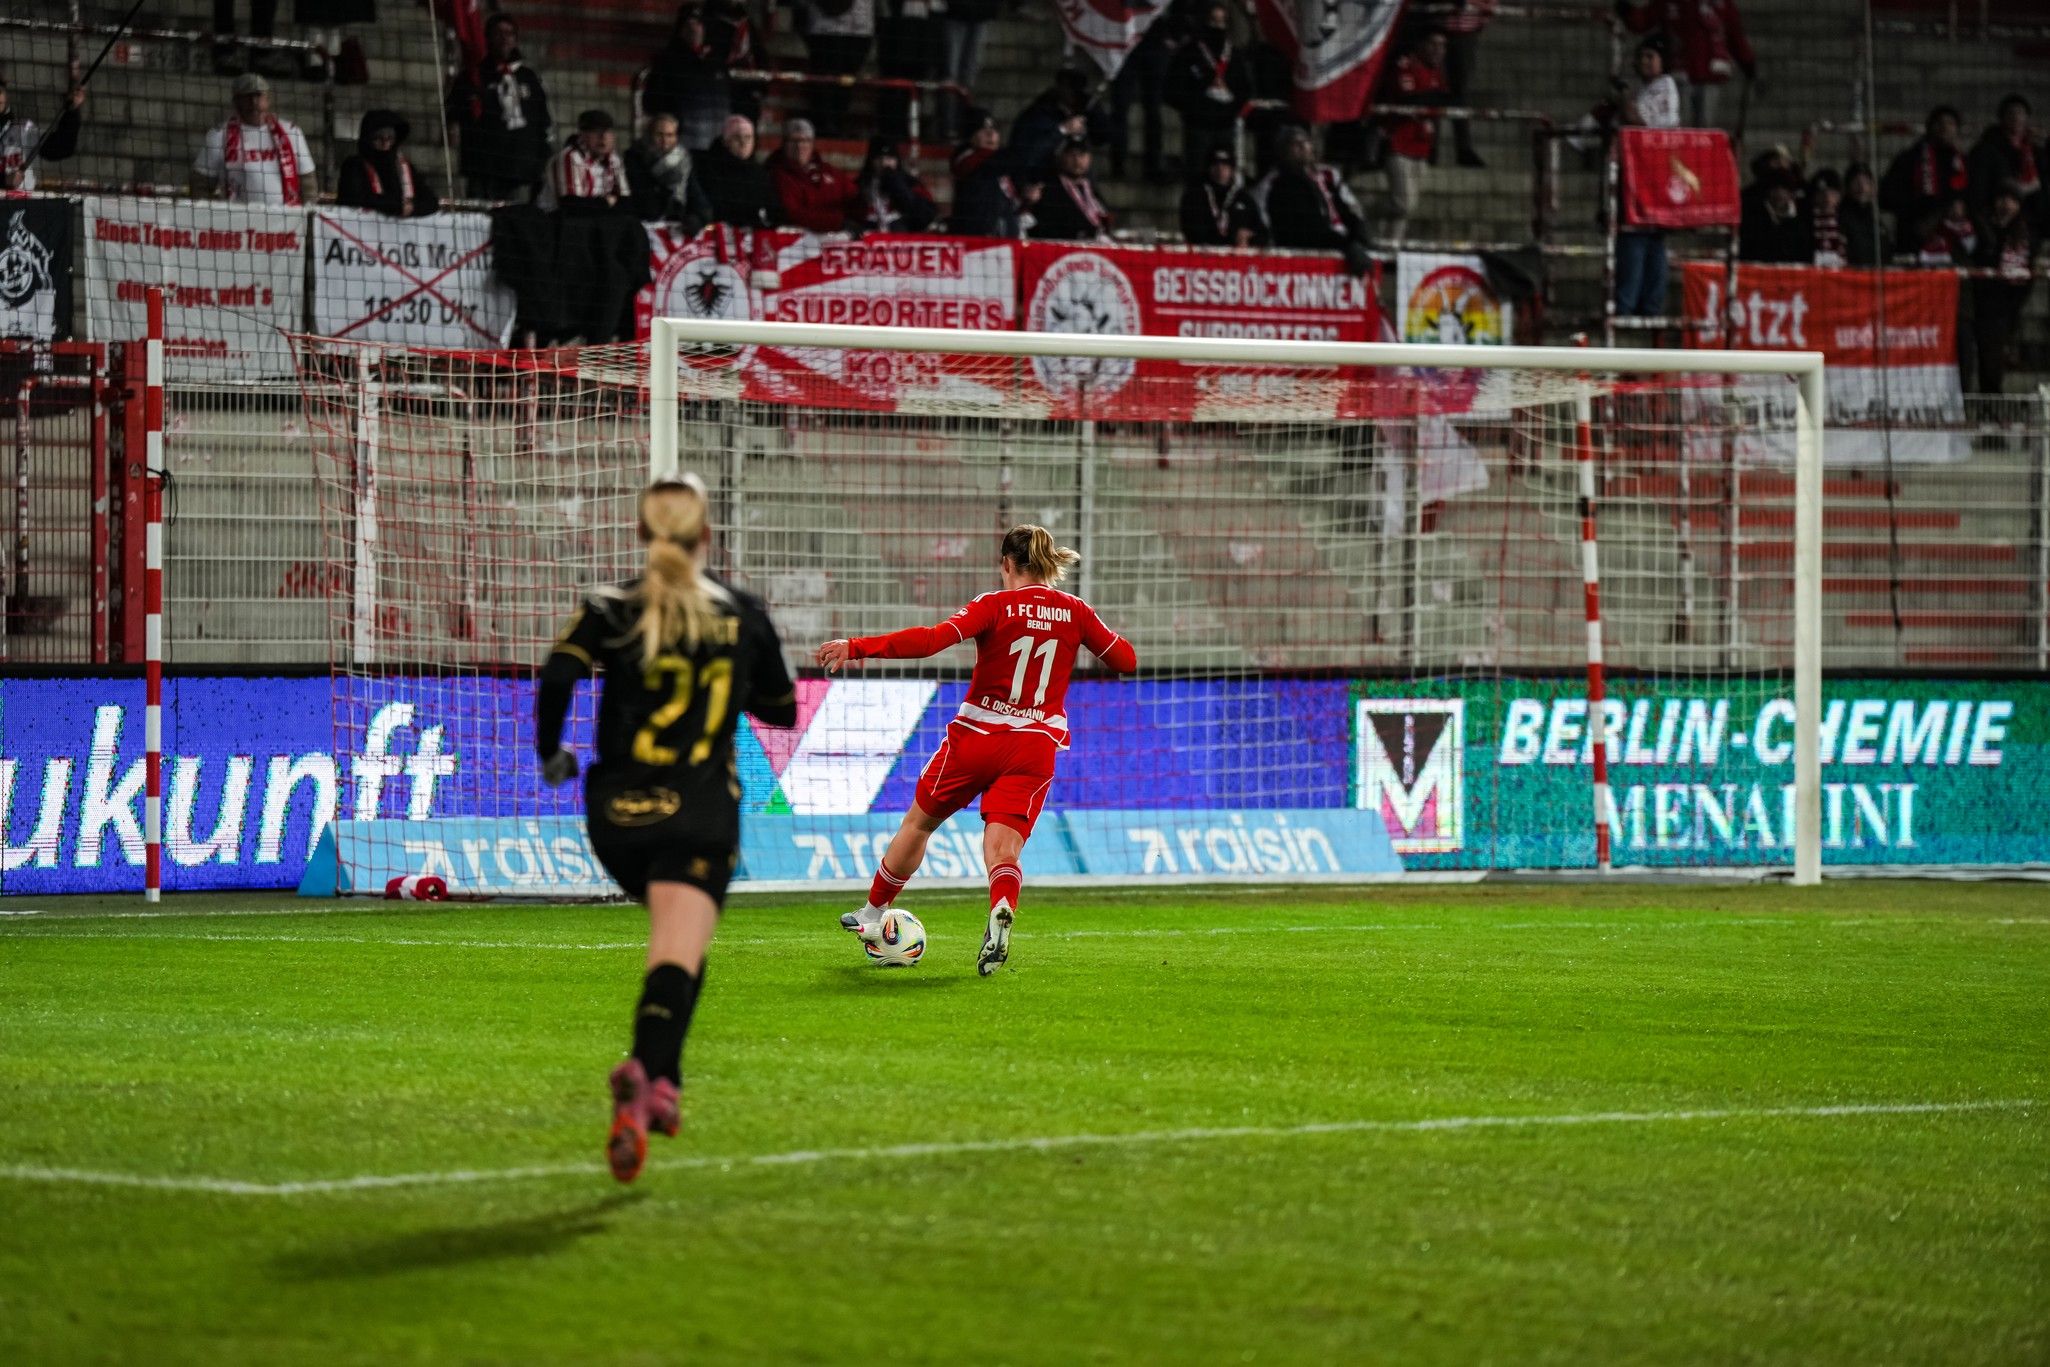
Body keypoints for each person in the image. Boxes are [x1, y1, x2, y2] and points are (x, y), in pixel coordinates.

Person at [536, 474, 797, 1183]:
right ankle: (644, 1073)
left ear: (641, 534)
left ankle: (665, 1082)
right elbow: (782, 709)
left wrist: (550, 751)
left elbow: (556, 677)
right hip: (698, 812)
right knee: (677, 954)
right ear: (706, 535)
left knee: (681, 939)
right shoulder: (741, 612)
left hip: (615, 817)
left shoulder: (609, 605)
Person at [814, 525, 1137, 976]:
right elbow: (1126, 661)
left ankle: (872, 912)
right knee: (1003, 853)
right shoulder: (1076, 611)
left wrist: (857, 647)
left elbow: (930, 640)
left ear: (1006, 564)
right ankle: (1001, 906)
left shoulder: (994, 605)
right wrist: (1084, 632)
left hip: (975, 740)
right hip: (1033, 747)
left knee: (920, 823)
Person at [447, 15, 553, 201]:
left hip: (521, 169)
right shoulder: (473, 76)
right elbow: (454, 113)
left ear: (516, 39)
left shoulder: (529, 77)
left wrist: (540, 161)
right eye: (498, 33)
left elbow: (543, 120)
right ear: (487, 38)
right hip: (484, 168)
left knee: (516, 222)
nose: (505, 38)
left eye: (509, 33)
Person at [1611, 38, 1679, 318]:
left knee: (1636, 237)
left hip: (1650, 177)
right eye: (1641, 56)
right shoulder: (1647, 90)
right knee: (1650, 240)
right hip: (1646, 175)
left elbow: (1635, 119)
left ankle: (1630, 308)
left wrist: (1623, 95)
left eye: (1651, 56)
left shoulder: (1665, 86)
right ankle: (1647, 307)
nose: (1644, 62)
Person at [1615, 0, 1756, 129]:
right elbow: (1645, 19)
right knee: (1680, 124)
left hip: (1710, 74)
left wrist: (1747, 61)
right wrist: (1628, 11)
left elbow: (1734, 33)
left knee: (1705, 127)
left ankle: (1701, 155)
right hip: (1681, 73)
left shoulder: (1722, 4)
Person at [1258, 126, 1372, 274]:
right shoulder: (1281, 184)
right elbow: (1310, 230)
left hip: (1343, 247)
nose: (1302, 147)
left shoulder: (1327, 175)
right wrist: (1347, 245)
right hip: (1313, 255)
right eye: (1295, 144)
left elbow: (1349, 210)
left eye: (1305, 142)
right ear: (1284, 151)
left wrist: (1359, 238)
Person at [193, 73, 315, 205]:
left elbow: (308, 183)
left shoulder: (291, 132)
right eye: (247, 97)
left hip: (286, 219)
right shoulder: (218, 135)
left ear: (268, 99)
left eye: (258, 96)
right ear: (236, 102)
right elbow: (200, 185)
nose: (254, 103)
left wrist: (306, 215)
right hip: (236, 220)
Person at [1377, 28, 1451, 247]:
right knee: (1404, 203)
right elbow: (1409, 99)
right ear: (1421, 45)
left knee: (1409, 204)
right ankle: (1388, 247)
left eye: (1443, 46)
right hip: (1399, 144)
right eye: (1434, 44)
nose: (1439, 51)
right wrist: (1433, 99)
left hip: (1422, 147)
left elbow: (1443, 102)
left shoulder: (1437, 72)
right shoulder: (1406, 65)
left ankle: (1391, 244)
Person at [1164, 2, 1253, 173]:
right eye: (1213, 21)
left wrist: (1231, 109)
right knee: (1197, 177)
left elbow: (1245, 89)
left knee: (1225, 177)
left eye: (1221, 22)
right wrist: (1196, 108)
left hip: (1226, 127)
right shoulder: (1189, 52)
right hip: (1198, 128)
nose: (1217, 27)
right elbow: (1172, 90)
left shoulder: (1234, 54)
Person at [1970, 181, 2037, 395]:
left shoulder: (2025, 234)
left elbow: (2027, 274)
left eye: (2011, 200)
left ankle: (1993, 405)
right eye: (2002, 199)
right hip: (1983, 304)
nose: (2005, 204)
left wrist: (2013, 305)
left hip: (2007, 308)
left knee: (1994, 361)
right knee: (1987, 361)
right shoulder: (1983, 228)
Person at [640, 6, 735, 156]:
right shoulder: (667, 61)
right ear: (680, 29)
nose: (694, 29)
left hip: (716, 149)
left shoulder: (717, 62)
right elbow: (653, 102)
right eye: (688, 24)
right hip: (682, 148)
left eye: (698, 24)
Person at [1882, 106, 1969, 250]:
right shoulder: (1910, 159)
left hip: (1954, 241)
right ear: (1930, 127)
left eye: (1950, 123)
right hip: (1914, 238)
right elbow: (1886, 197)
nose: (1945, 128)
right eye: (1939, 123)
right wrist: (1918, 214)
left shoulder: (1964, 163)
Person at [949, 108, 1037, 237]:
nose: (991, 134)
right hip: (976, 242)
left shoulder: (1002, 168)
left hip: (1005, 243)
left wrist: (1026, 200)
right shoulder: (967, 159)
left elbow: (1010, 208)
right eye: (983, 130)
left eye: (994, 130)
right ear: (971, 137)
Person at [336, 110, 441, 218]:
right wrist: (396, 207)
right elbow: (354, 198)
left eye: (390, 138)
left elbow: (431, 202)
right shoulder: (354, 165)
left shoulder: (405, 167)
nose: (385, 143)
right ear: (368, 139)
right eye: (378, 137)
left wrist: (411, 208)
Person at [766, 119, 859, 234]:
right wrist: (837, 222)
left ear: (812, 143)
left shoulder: (828, 171)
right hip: (797, 241)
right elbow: (793, 214)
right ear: (784, 144)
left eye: (806, 141)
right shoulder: (777, 175)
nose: (800, 146)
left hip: (834, 238)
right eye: (794, 141)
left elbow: (854, 195)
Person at [1966, 95, 2044, 231]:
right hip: (1999, 207)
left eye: (2020, 113)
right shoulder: (1987, 147)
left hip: (2031, 209)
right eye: (2011, 113)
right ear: (2002, 118)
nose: (2016, 117)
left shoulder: (2033, 149)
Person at [625, 113, 715, 230]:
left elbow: (696, 194)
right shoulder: (636, 158)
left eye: (670, 135)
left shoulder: (683, 160)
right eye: (659, 135)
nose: (665, 140)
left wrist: (698, 218)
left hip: (676, 225)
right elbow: (641, 197)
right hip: (646, 225)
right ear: (650, 135)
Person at [796, 0, 874, 128]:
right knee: (823, 80)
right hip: (823, 29)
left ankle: (838, 123)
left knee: (846, 81)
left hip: (859, 30)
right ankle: (823, 125)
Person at [1438, 0, 1497, 166]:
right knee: (1430, 87)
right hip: (1438, 26)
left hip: (1465, 32)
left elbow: (1490, 4)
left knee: (1460, 92)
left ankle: (1463, 148)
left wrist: (1477, 15)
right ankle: (1429, 149)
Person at [539, 109, 631, 214]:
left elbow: (626, 201)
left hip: (594, 219)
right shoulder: (569, 157)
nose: (603, 137)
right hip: (557, 220)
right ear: (582, 134)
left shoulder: (614, 159)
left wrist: (604, 204)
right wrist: (607, 202)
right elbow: (571, 205)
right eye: (596, 131)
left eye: (608, 131)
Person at [0, 77, 83, 193]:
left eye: (0, 91)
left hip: (21, 205)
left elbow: (63, 147)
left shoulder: (22, 130)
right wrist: (4, 180)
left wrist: (72, 111)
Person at [697, 115, 781, 228]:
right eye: (737, 137)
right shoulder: (709, 169)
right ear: (726, 141)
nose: (743, 142)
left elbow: (773, 211)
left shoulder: (759, 173)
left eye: (748, 137)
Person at [1028, 136, 1114, 241]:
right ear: (1061, 157)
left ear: (1089, 158)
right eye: (1072, 154)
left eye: (1082, 155)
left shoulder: (1091, 189)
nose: (1077, 160)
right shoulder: (1049, 189)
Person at [1179, 143, 1266, 247]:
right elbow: (1192, 231)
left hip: (1237, 258)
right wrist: (1229, 238)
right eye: (1215, 164)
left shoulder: (1243, 199)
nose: (1220, 168)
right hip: (1204, 257)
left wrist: (1249, 237)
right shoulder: (1195, 196)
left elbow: (1263, 233)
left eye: (1225, 164)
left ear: (1232, 168)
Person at [1012, 69, 1094, 179]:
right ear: (1061, 88)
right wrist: (1062, 130)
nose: (1076, 96)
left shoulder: (1079, 113)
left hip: (1071, 182)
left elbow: (1102, 136)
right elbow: (1027, 155)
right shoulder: (1037, 115)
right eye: (1072, 89)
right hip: (1040, 181)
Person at [937, 0, 1001, 138]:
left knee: (970, 75)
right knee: (951, 74)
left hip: (981, 13)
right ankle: (948, 126)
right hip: (955, 12)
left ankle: (963, 125)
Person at [855, 136, 937, 232]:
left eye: (889, 158)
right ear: (871, 161)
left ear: (897, 160)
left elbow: (926, 215)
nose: (884, 163)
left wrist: (899, 189)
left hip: (902, 237)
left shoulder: (911, 184)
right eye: (879, 158)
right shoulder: (860, 185)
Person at [1739, 161, 1806, 263]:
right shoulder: (1754, 217)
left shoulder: (1801, 219)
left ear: (1791, 194)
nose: (1779, 194)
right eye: (1775, 189)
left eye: (1784, 189)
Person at [1841, 161, 1889, 266]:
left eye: (1866, 182)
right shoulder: (1842, 219)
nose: (1862, 188)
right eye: (1856, 182)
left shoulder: (1878, 220)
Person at [1802, 167, 1846, 267]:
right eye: (1821, 193)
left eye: (1832, 193)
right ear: (1814, 196)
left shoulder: (1847, 223)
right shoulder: (1802, 224)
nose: (1827, 198)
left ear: (1839, 196)